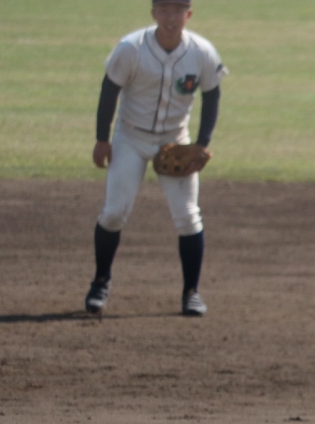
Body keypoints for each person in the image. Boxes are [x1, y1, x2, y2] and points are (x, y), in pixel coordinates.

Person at [86, 0, 228, 317]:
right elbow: (109, 90)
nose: (170, 17)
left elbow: (212, 93)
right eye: (163, 10)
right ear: (153, 13)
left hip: (175, 139)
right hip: (130, 137)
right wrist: (101, 139)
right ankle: (100, 281)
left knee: (188, 216)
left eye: (178, 10)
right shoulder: (131, 47)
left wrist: (202, 143)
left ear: (188, 15)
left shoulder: (202, 52)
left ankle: (191, 292)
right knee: (114, 213)